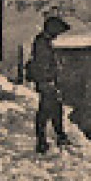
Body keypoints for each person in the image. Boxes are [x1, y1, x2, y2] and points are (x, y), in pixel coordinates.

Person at [26, 14, 73, 154]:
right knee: (48, 110)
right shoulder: (42, 43)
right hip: (46, 82)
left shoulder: (43, 42)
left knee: (50, 109)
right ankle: (48, 140)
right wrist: (48, 80)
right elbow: (43, 64)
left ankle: (51, 139)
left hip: (46, 81)